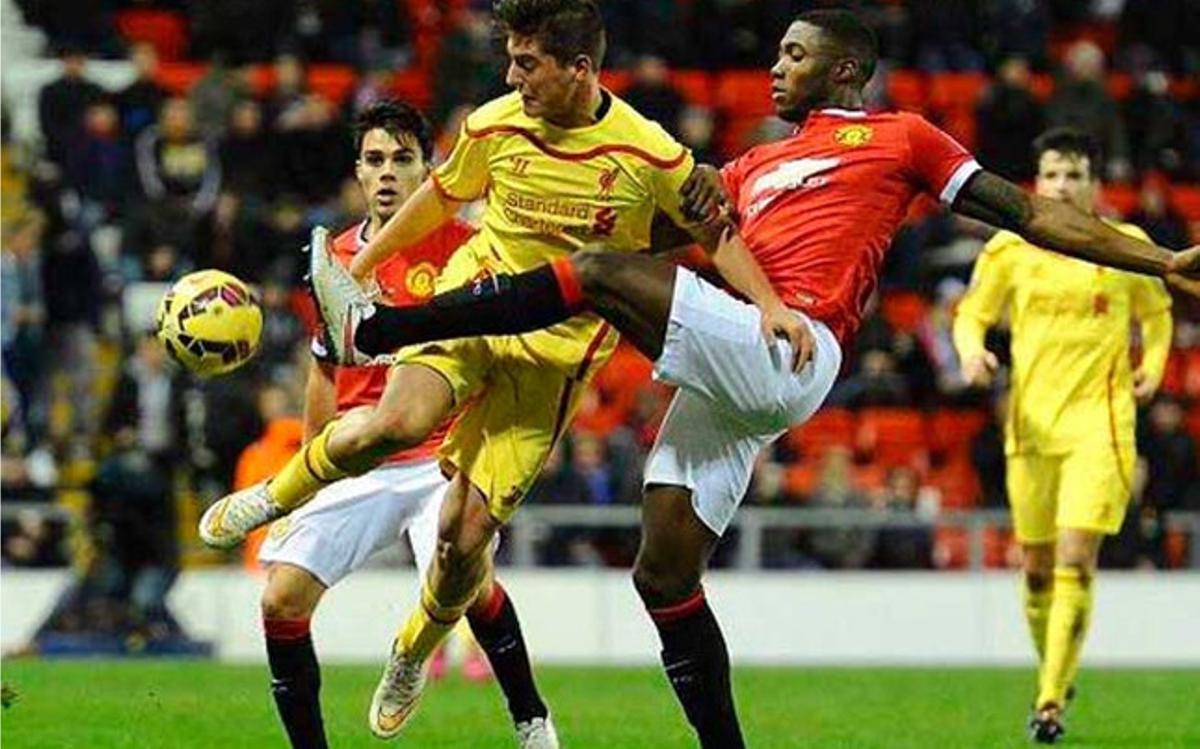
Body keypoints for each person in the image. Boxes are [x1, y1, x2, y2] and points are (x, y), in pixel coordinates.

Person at [211, 9, 1200, 748]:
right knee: (662, 569)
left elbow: (1030, 211)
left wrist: (1157, 261)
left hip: (794, 344)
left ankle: (379, 320)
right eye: (776, 52)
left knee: (599, 276)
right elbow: (674, 237)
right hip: (738, 361)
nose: (775, 66)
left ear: (845, 68)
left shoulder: (903, 137)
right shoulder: (753, 166)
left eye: (794, 54)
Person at [199, 0, 759, 741]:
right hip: (474, 308)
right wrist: (359, 266)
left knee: (464, 545)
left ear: (579, 69)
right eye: (512, 60)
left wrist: (772, 307)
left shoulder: (649, 154)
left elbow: (714, 229)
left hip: (551, 360)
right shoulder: (495, 125)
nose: (511, 75)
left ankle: (413, 649)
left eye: (527, 64)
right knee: (398, 419)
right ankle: (273, 494)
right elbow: (445, 195)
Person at [246, 100, 558, 749]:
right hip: (360, 455)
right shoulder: (333, 258)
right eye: (375, 160)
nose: (387, 172)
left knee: (467, 579)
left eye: (402, 158)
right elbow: (322, 373)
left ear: (428, 168)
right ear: (358, 172)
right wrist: (309, 474)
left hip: (444, 454)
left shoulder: (469, 249)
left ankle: (532, 720)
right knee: (280, 600)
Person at [953, 127, 1174, 742]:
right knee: (1035, 570)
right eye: (1053, 174)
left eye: (1075, 175)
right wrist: (972, 352)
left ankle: (1050, 700)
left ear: (1095, 183)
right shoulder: (1010, 250)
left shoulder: (1125, 246)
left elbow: (1157, 316)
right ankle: (1056, 668)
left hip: (1100, 427)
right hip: (1030, 428)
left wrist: (1152, 366)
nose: (1063, 185)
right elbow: (972, 312)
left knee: (1077, 557)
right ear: (1037, 181)